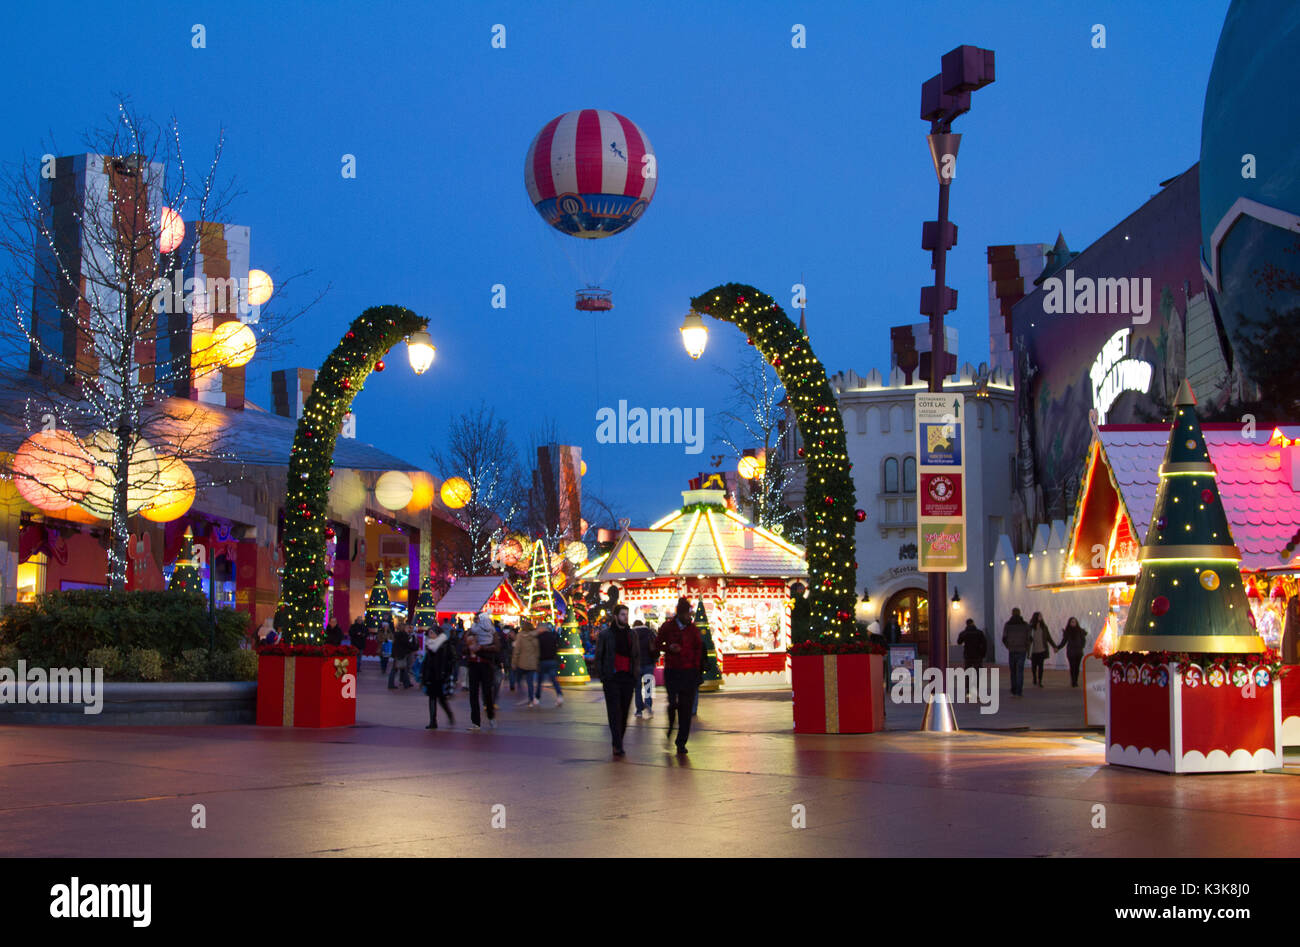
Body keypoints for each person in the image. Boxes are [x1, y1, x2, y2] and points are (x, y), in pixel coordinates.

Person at [655, 597, 704, 756]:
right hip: (673, 671)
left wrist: (696, 668)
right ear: (681, 613)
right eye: (687, 613)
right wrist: (669, 648)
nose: (689, 616)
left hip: (688, 672)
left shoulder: (693, 629)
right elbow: (657, 643)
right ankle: (671, 726)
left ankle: (681, 741)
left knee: (686, 708)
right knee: (673, 703)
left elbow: (698, 648)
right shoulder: (668, 627)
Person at [593, 604, 642, 757]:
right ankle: (617, 744)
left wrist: (635, 674)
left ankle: (617, 741)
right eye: (622, 615)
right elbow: (599, 656)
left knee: (625, 712)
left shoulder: (632, 634)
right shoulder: (606, 634)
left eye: (626, 615)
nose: (625, 617)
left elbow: (636, 655)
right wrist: (603, 676)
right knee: (614, 712)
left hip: (627, 678)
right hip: (612, 678)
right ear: (615, 616)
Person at [464, 611, 498, 730]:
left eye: (479, 619)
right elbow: (464, 645)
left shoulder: (491, 632)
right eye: (476, 619)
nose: (477, 621)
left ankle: (491, 716)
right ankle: (476, 722)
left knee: (487, 692)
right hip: (473, 665)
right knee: (473, 693)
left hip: (486, 664)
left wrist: (482, 647)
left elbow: (497, 647)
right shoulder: (471, 631)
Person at [422, 624, 456, 729]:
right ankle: (433, 721)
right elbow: (427, 661)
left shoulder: (444, 645)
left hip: (441, 675)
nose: (430, 635)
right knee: (432, 697)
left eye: (432, 633)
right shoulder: (429, 645)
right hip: (431, 675)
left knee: (441, 698)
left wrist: (446, 672)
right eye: (429, 633)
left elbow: (452, 659)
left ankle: (449, 715)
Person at [1002, 608, 1031, 697]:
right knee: (1020, 671)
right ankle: (1019, 690)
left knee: (1013, 671)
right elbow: (1029, 638)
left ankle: (1014, 689)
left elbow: (1004, 638)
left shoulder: (1008, 624)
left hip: (1012, 650)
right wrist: (1026, 646)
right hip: (1022, 650)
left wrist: (1008, 646)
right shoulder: (1025, 625)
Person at [633, 619, 659, 718]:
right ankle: (648, 705)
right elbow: (656, 645)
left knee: (638, 688)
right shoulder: (650, 632)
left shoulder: (632, 633)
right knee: (648, 687)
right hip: (649, 663)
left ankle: (639, 710)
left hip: (637, 665)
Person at [535, 621, 564, 706]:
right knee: (554, 680)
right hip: (552, 660)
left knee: (540, 681)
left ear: (541, 628)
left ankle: (537, 698)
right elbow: (556, 647)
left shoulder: (539, 637)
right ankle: (559, 695)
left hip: (543, 661)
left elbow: (537, 650)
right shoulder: (552, 636)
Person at [513, 620, 540, 707]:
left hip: (522, 662)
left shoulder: (520, 636)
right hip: (532, 662)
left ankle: (522, 696)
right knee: (530, 682)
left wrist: (514, 662)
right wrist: (537, 662)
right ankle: (531, 699)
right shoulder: (535, 637)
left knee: (519, 679)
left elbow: (517, 650)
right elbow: (537, 650)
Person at [1028, 611, 1058, 688]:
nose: (1041, 618)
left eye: (1041, 616)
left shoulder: (1044, 627)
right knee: (1034, 666)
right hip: (1033, 650)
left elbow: (1048, 637)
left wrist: (1054, 646)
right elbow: (1027, 638)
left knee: (1041, 666)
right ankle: (1034, 677)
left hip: (1042, 650)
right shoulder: (1030, 627)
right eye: (1039, 616)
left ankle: (1040, 681)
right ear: (1035, 617)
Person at [1056, 617, 1089, 686]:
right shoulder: (1067, 632)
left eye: (1074, 622)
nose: (1073, 623)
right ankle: (1073, 681)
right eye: (1072, 622)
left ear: (1076, 623)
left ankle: (1075, 680)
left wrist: (1081, 646)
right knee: (1072, 666)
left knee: (1077, 667)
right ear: (1069, 623)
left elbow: (1083, 640)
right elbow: (1064, 642)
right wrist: (1058, 647)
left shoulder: (1080, 631)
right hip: (1071, 652)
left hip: (1078, 652)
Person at [389, 621, 415, 690]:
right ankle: (391, 684)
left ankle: (406, 683)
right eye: (407, 628)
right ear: (403, 628)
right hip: (400, 654)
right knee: (396, 669)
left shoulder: (398, 635)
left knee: (403, 669)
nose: (408, 629)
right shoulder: (403, 635)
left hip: (398, 654)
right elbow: (407, 644)